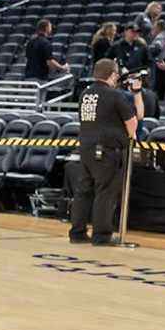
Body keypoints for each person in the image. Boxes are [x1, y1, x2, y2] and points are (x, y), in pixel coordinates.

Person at [71, 59, 137, 245]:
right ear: (113, 75)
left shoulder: (85, 93)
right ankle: (101, 235)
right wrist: (131, 136)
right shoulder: (114, 95)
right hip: (106, 150)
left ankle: (77, 233)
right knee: (105, 192)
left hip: (86, 147)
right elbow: (132, 122)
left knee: (84, 191)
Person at [23, 17, 69, 83]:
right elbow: (49, 61)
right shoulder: (46, 43)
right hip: (40, 77)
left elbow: (26, 59)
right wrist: (62, 67)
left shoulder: (30, 42)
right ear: (47, 28)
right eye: (50, 27)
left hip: (28, 77)